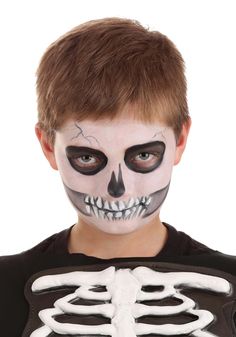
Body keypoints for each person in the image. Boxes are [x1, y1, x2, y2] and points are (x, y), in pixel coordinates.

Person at [0, 17, 235, 337]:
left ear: (179, 141)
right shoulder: (5, 286)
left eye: (142, 155)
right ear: (47, 146)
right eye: (87, 157)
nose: (116, 189)